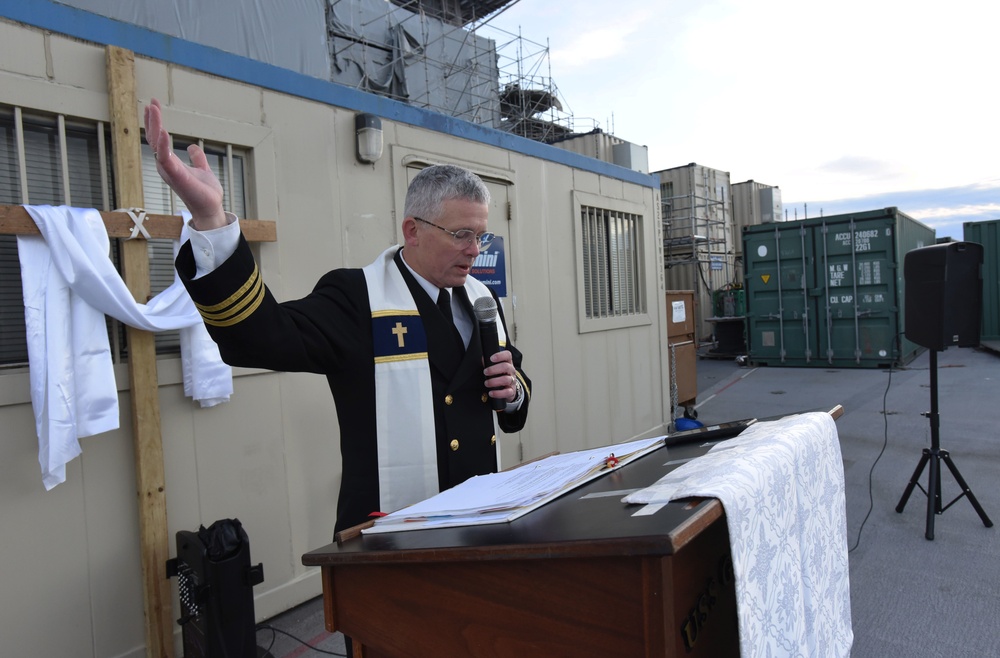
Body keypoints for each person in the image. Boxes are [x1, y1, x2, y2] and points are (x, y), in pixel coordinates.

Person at [144, 99, 531, 535]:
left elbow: (512, 385)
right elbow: (257, 336)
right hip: (391, 536)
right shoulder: (358, 297)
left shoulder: (481, 299)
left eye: (481, 235)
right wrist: (212, 220)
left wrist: (512, 390)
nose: (475, 250)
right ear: (412, 230)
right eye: (462, 234)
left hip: (483, 519)